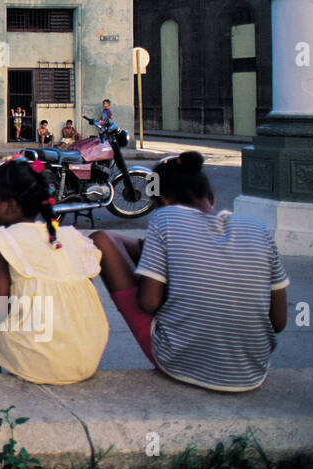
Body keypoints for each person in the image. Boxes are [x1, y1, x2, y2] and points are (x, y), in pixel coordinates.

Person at [91, 151, 289, 392]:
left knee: (101, 240)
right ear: (212, 198)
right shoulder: (258, 230)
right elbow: (278, 321)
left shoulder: (164, 220)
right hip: (252, 371)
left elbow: (149, 303)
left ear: (161, 200)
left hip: (181, 364)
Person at [0, 158, 108, 384]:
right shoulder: (67, 235)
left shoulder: (1, 241)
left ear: (9, 206)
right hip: (87, 358)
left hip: (43, 364)